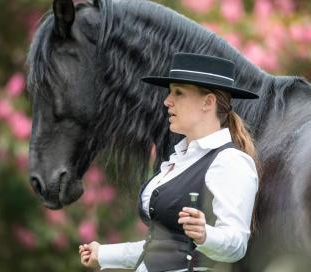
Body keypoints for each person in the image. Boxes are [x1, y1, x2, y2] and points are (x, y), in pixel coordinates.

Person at [79, 52, 260, 271]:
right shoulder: (178, 161)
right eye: (170, 92)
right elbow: (160, 248)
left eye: (179, 93)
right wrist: (104, 253)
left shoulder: (230, 162)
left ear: (208, 102)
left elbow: (237, 246)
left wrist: (205, 234)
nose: (167, 101)